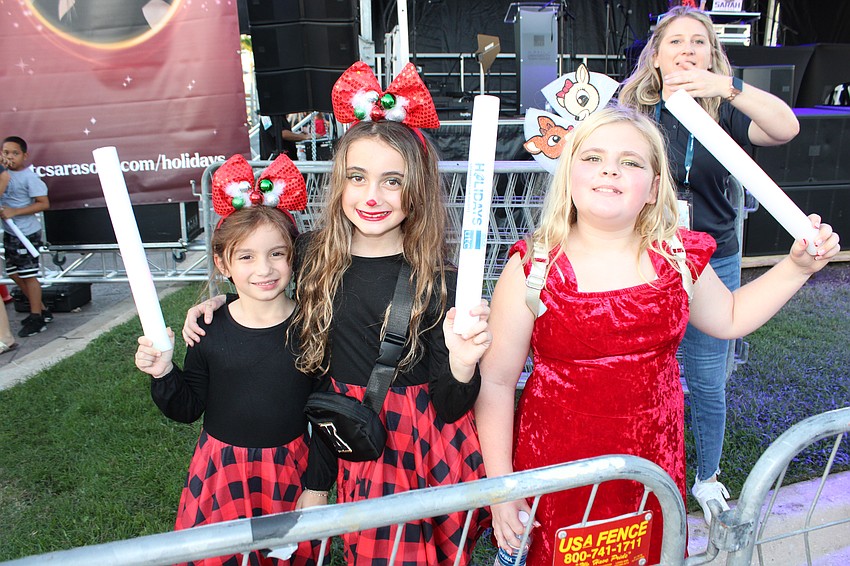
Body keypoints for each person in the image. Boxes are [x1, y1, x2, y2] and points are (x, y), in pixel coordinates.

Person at [475, 106, 839, 565]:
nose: (610, 169)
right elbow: (496, 382)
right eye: (593, 158)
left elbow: (728, 316)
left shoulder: (677, 257)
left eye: (630, 161)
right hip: (555, 472)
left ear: (652, 188)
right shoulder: (533, 267)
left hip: (652, 470)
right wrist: (503, 488)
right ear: (567, 175)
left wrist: (796, 268)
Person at [184, 61, 492, 565]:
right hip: (348, 433)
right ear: (339, 183)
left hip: (423, 440)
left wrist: (461, 362)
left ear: (417, 190)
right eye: (357, 177)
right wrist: (218, 303)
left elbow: (453, 405)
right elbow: (264, 293)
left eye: (393, 181)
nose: (372, 196)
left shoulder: (443, 280)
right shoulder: (306, 258)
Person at [617, 5, 802, 522]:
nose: (687, 51)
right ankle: (636, 466)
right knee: (637, 371)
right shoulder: (631, 107)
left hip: (711, 258)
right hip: (642, 257)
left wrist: (729, 86)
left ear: (713, 53)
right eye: (675, 42)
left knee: (706, 377)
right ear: (655, 54)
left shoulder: (727, 108)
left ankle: (707, 477)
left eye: (699, 42)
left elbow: (785, 127)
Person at [135, 153, 323, 566]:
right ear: (223, 263)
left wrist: (317, 485)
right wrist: (163, 372)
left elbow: (326, 409)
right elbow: (187, 408)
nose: (264, 269)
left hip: (289, 468)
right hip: (221, 470)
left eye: (277, 254)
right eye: (247, 257)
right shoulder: (208, 327)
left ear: (293, 256)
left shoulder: (312, 326)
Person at [1, 136, 52, 338]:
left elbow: (43, 203)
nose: (10, 157)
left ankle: (36, 317)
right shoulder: (3, 175)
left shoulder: (29, 177)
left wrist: (15, 211)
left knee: (29, 274)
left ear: (24, 155)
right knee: (14, 273)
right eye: (6, 152)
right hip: (10, 232)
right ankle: (40, 308)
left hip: (26, 233)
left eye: (15, 153)